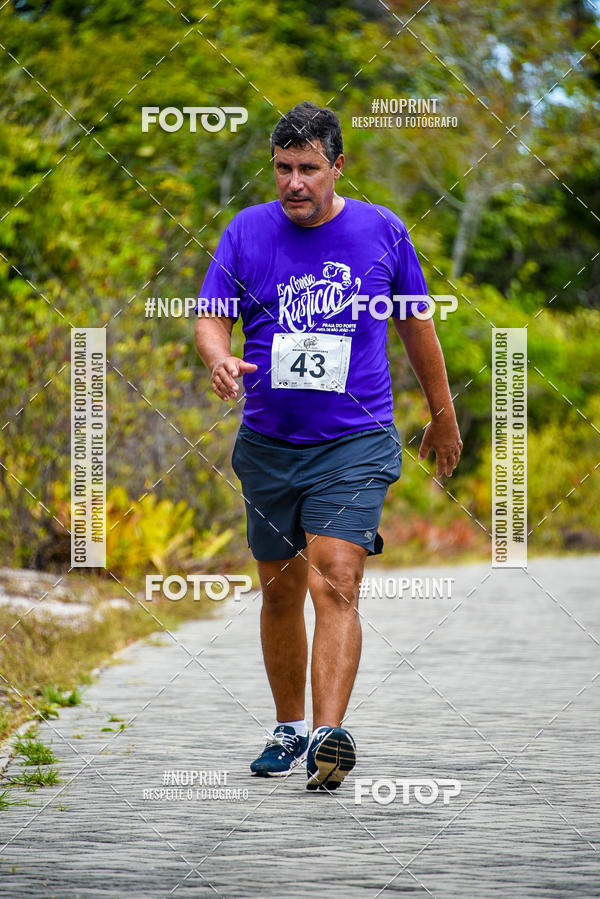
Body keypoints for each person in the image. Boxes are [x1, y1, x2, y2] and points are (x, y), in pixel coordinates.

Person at [194, 100, 462, 791]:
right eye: (283, 168)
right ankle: (287, 726)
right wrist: (219, 359)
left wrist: (443, 414)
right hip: (269, 442)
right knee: (280, 590)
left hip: (356, 437)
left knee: (335, 575)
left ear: (337, 166)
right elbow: (210, 318)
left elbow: (417, 329)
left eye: (309, 168)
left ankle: (328, 732)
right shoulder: (247, 231)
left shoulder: (382, 230)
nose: (294, 183)